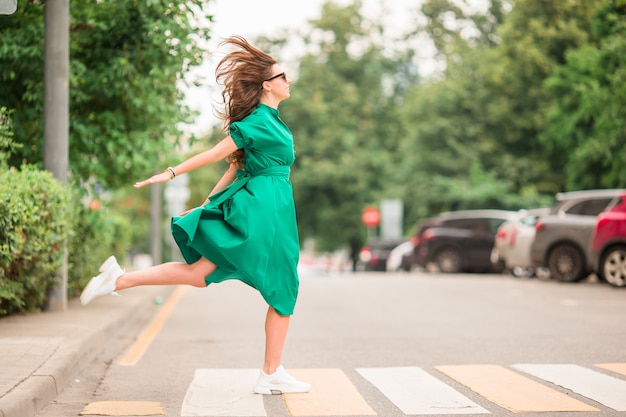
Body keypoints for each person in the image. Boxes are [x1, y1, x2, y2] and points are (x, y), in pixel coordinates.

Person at [80, 35, 310, 395]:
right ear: (267, 85)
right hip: (264, 211)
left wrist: (207, 203)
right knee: (284, 286)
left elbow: (236, 168)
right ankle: (271, 373)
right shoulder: (257, 122)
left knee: (199, 274)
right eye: (283, 76)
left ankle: (118, 280)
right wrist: (171, 173)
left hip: (271, 206)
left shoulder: (274, 122)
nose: (288, 80)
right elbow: (220, 155)